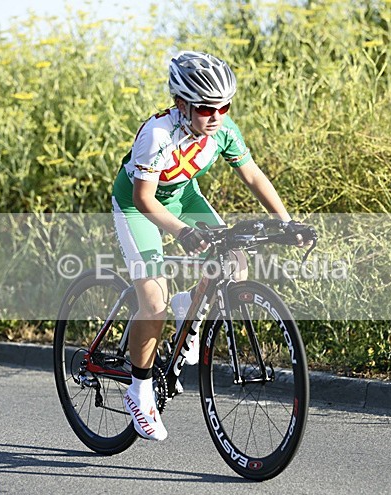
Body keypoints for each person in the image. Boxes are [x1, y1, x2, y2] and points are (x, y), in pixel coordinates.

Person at [112, 51, 305, 441]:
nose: (215, 116)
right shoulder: (158, 134)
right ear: (181, 103)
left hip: (183, 197)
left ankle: (190, 311)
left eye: (224, 106)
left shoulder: (223, 130)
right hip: (138, 205)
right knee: (153, 302)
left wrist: (287, 222)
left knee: (234, 262)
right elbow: (146, 199)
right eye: (205, 108)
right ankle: (140, 388)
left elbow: (252, 174)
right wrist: (183, 232)